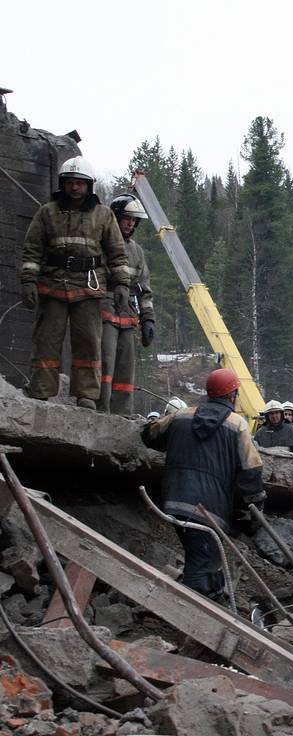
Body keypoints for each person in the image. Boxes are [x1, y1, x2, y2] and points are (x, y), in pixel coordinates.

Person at [140, 368, 264, 599]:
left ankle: (212, 599)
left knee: (203, 557)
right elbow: (251, 470)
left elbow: (150, 436)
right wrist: (250, 509)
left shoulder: (182, 415)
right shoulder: (237, 424)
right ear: (232, 395)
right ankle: (192, 619)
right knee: (202, 563)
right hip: (209, 509)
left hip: (175, 501)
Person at [19, 156, 131, 409]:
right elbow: (32, 249)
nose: (74, 188)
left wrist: (122, 284)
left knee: (88, 343)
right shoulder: (47, 213)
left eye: (79, 183)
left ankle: (86, 394)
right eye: (70, 182)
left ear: (89, 185)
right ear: (63, 183)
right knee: (46, 341)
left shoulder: (103, 215)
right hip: (53, 285)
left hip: (88, 288)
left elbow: (117, 252)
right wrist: (28, 280)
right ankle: (41, 389)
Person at [99, 194, 155, 415]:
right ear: (116, 217)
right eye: (127, 218)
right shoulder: (101, 244)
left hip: (129, 315)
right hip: (104, 309)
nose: (131, 223)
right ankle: (99, 410)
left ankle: (122, 413)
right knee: (105, 363)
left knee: (125, 368)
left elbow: (145, 289)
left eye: (135, 220)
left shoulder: (137, 251)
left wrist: (148, 319)